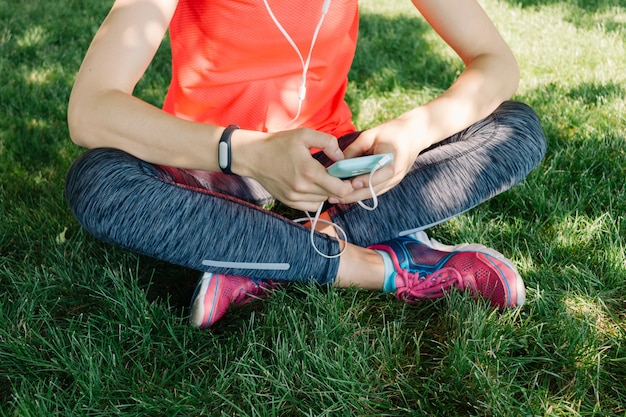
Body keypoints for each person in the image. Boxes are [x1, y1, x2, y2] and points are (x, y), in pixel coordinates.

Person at [65, 0, 546, 328]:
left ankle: (259, 252)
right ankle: (380, 266)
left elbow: (495, 62)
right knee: (100, 180)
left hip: (334, 169)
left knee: (515, 129)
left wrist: (416, 131)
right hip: (212, 167)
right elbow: (90, 109)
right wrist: (245, 151)